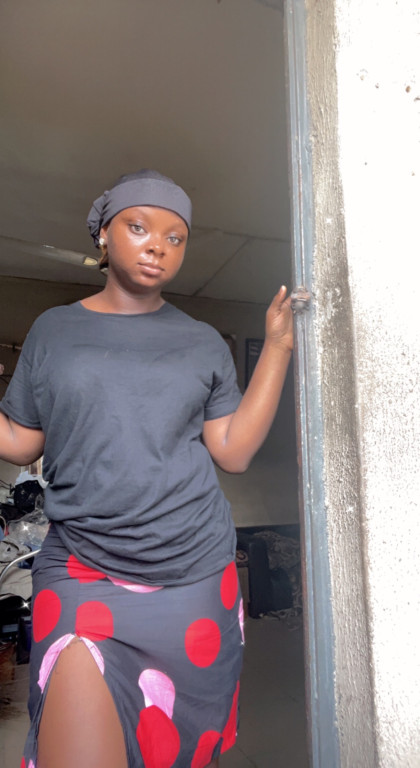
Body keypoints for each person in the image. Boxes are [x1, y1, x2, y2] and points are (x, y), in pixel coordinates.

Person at [0, 170, 293, 768]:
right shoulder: (54, 330)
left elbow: (232, 451)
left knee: (179, 742)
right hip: (82, 566)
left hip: (193, 571)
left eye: (175, 237)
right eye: (139, 227)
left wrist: (278, 347)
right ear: (104, 235)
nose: (158, 245)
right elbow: (22, 441)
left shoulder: (203, 342)